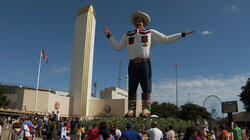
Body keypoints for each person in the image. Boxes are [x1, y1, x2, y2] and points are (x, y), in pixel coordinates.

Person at [103, 11, 194, 117]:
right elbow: (117, 46)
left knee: (146, 87)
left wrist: (181, 34)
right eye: (137, 21)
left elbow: (166, 39)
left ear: (144, 23)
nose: (139, 23)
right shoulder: (128, 34)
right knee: (132, 88)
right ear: (134, 23)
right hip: (132, 63)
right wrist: (109, 35)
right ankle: (131, 110)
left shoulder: (150, 33)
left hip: (145, 62)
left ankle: (146, 108)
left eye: (141, 21)